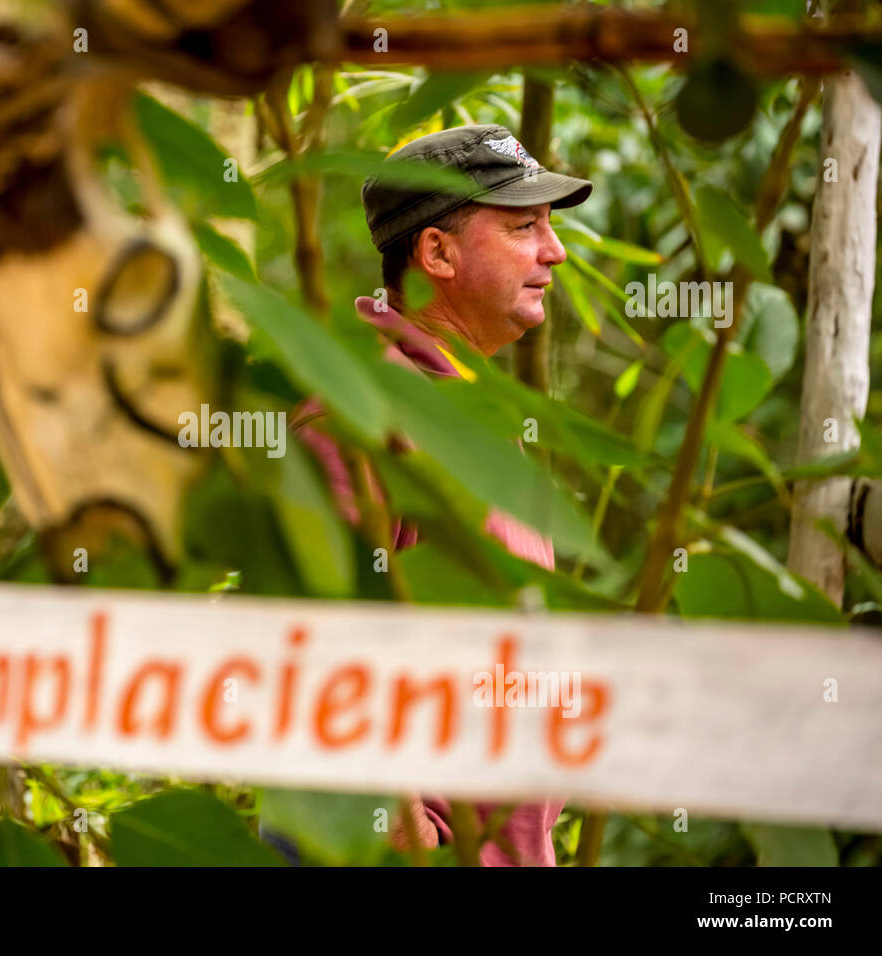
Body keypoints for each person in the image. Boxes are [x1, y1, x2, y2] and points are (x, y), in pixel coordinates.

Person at [274, 125, 593, 865]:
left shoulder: (459, 410)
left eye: (549, 225)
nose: (556, 251)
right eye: (523, 227)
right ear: (437, 254)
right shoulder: (363, 416)